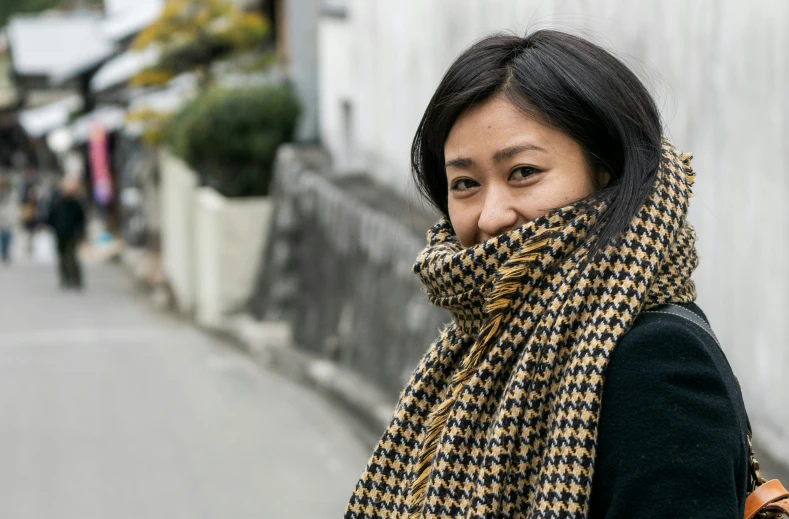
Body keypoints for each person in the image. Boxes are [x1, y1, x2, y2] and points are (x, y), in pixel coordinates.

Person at [345, 31, 750, 518]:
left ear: (607, 173)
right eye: (466, 184)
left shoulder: (657, 361)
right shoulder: (479, 347)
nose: (491, 216)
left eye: (523, 172)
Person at [47, 178, 86, 289]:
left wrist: (81, 232)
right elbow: (51, 215)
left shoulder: (76, 203)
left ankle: (75, 279)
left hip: (72, 233)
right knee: (62, 256)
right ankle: (65, 279)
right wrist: (51, 227)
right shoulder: (57, 201)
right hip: (59, 233)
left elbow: (81, 219)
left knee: (72, 257)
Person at [0, 176, 15, 264]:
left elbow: (13, 207)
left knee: (8, 237)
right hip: (1, 219)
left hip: (9, 219)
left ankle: (6, 253)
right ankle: (4, 253)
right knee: (2, 237)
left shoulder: (11, 195)